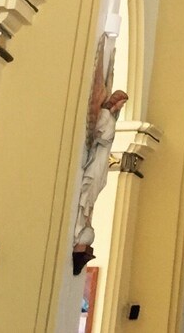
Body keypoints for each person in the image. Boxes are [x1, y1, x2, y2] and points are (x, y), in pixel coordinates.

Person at [74, 90, 128, 250]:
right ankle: (79, 222)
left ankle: (84, 218)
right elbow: (97, 132)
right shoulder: (104, 114)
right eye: (122, 102)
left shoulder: (111, 117)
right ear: (115, 101)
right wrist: (105, 139)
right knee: (90, 185)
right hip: (98, 154)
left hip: (104, 156)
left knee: (98, 184)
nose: (122, 106)